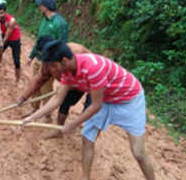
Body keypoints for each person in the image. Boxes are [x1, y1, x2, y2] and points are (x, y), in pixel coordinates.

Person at [22, 40, 155, 180]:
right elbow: (57, 100)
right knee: (87, 139)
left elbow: (96, 105)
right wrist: (33, 117)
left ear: (64, 61)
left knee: (138, 153)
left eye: (53, 66)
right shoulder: (67, 72)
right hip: (106, 98)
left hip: (129, 100)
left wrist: (73, 124)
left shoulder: (93, 68)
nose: (52, 71)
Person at [16, 35, 91, 139]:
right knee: (64, 103)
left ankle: (85, 130)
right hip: (71, 84)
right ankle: (59, 130)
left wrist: (70, 86)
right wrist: (23, 98)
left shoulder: (75, 52)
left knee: (90, 111)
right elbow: (38, 80)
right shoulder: (48, 61)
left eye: (53, 65)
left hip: (91, 83)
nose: (51, 67)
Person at [26, 0, 68, 122]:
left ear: (46, 7)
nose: (39, 7)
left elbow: (62, 44)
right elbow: (39, 40)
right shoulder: (44, 20)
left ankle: (47, 115)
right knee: (35, 84)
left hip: (50, 61)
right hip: (39, 58)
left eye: (40, 5)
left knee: (46, 88)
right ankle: (34, 109)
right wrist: (31, 56)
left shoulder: (60, 23)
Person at [0, 3, 21, 83]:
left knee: (16, 60)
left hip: (14, 38)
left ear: (5, 12)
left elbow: (6, 38)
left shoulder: (11, 20)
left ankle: (18, 80)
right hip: (3, 35)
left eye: (1, 13)